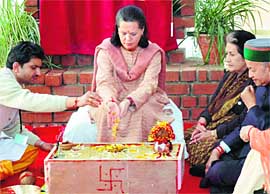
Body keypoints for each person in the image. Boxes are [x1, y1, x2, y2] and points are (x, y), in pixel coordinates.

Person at [0, 41, 101, 181]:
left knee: (30, 150)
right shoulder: (3, 80)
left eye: (39, 68)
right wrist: (76, 101)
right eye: (33, 67)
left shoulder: (14, 89)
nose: (38, 73)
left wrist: (40, 143)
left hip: (2, 137)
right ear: (16, 67)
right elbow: (31, 101)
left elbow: (13, 131)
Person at [85, 5, 184, 143]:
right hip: (112, 95)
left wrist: (129, 101)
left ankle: (139, 161)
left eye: (133, 34)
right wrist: (110, 101)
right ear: (117, 30)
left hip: (143, 97)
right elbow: (104, 82)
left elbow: (149, 85)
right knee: (106, 112)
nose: (127, 39)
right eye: (123, 33)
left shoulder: (153, 52)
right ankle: (109, 158)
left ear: (142, 30)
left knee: (140, 113)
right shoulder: (106, 50)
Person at [201, 38, 270, 194]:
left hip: (261, 159)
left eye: (253, 69)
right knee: (214, 159)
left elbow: (266, 132)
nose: (250, 75)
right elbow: (244, 124)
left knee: (216, 172)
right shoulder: (259, 86)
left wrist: (252, 106)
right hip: (245, 149)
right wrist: (219, 149)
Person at [184, 30, 255, 167]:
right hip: (214, 124)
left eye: (232, 54)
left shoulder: (252, 83)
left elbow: (242, 120)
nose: (227, 59)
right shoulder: (230, 75)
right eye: (226, 54)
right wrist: (202, 123)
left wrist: (212, 133)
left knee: (200, 149)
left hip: (229, 131)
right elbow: (213, 103)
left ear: (246, 56)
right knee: (186, 137)